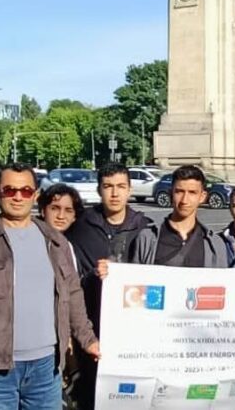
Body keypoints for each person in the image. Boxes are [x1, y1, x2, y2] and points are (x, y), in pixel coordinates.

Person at [0, 162, 99, 410]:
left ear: (35, 195)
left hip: (46, 368)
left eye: (25, 191)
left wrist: (87, 339)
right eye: (9, 190)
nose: (18, 197)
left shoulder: (55, 241)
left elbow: (72, 294)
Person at [67, 163, 152, 410]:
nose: (115, 193)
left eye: (121, 186)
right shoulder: (80, 227)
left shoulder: (145, 227)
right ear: (99, 190)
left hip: (132, 330)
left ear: (130, 190)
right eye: (108, 186)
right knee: (90, 395)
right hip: (91, 327)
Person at [129, 165, 229, 267]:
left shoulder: (215, 244)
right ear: (171, 193)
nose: (184, 200)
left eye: (192, 193)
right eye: (179, 192)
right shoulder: (147, 238)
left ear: (202, 197)